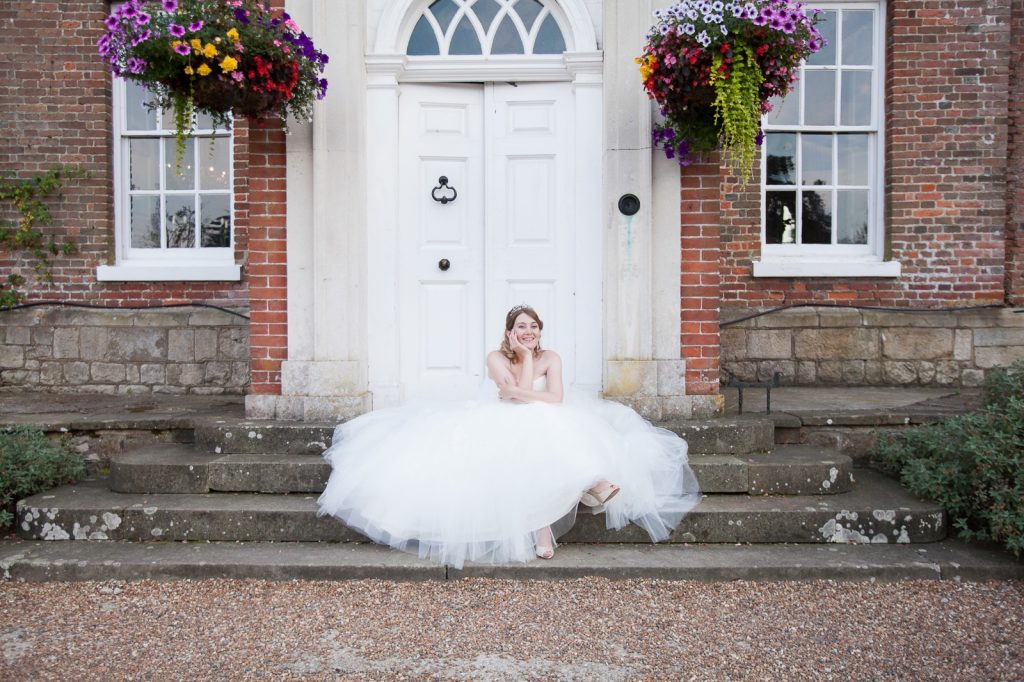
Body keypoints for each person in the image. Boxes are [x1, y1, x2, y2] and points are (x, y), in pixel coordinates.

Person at [317, 305, 700, 568]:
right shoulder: (496, 358)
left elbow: (553, 398)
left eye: (533, 327)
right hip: (495, 420)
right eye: (521, 327)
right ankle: (572, 499)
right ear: (509, 332)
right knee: (534, 427)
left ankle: (554, 516)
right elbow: (508, 393)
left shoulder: (553, 357)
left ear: (540, 331)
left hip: (540, 418)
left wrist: (524, 391)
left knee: (544, 420)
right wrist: (525, 366)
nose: (528, 332)